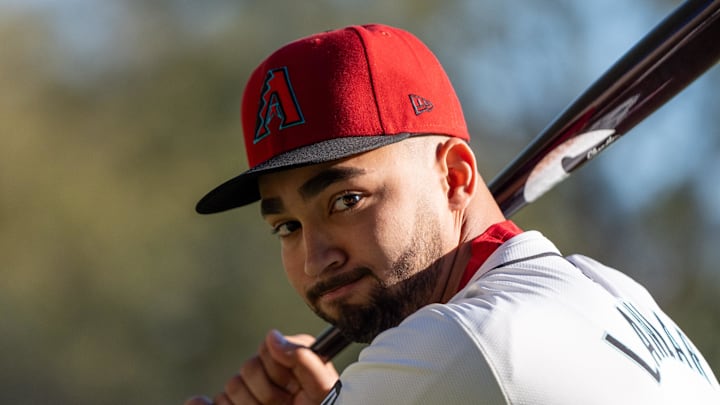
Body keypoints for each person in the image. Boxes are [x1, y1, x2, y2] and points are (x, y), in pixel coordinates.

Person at [185, 24, 720, 404]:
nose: (316, 258)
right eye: (287, 227)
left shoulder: (456, 343)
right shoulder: (615, 293)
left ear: (456, 175)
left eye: (346, 200)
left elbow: (467, 362)